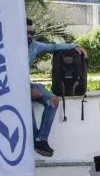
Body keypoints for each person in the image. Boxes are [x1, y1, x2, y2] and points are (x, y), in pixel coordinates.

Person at [26, 18, 87, 157]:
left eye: (32, 33)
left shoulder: (34, 46)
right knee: (26, 108)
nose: (29, 36)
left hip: (28, 84)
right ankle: (35, 140)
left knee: (53, 101)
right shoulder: (10, 48)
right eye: (26, 34)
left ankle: (41, 140)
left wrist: (74, 46)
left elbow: (53, 47)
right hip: (14, 87)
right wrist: (26, 91)